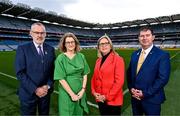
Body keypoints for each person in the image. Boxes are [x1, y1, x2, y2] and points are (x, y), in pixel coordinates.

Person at [127, 26, 171, 115]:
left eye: (147, 35)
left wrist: (145, 93)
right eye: (142, 36)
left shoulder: (162, 55)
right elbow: (129, 74)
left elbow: (163, 78)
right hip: (135, 98)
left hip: (152, 99)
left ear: (153, 37)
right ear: (138, 38)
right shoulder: (134, 54)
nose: (145, 38)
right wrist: (131, 88)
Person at [15, 22, 55, 115]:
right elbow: (20, 73)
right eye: (36, 32)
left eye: (42, 33)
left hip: (45, 94)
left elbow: (53, 71)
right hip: (28, 94)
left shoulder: (50, 49)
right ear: (31, 33)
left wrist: (48, 86)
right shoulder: (22, 48)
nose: (39, 35)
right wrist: (36, 89)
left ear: (45, 34)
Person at [54, 32, 90, 116]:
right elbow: (61, 79)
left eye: (72, 42)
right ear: (64, 44)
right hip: (66, 93)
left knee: (78, 113)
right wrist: (72, 94)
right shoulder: (60, 58)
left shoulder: (81, 56)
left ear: (75, 43)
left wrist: (83, 90)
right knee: (67, 113)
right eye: (68, 42)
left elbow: (85, 74)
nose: (70, 44)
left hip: (80, 91)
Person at [91, 35, 125, 115]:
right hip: (100, 99)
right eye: (101, 44)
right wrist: (94, 92)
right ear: (98, 47)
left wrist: (107, 97)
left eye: (106, 43)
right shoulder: (98, 60)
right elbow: (94, 78)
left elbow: (119, 81)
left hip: (113, 100)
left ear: (110, 45)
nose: (104, 46)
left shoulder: (118, 59)